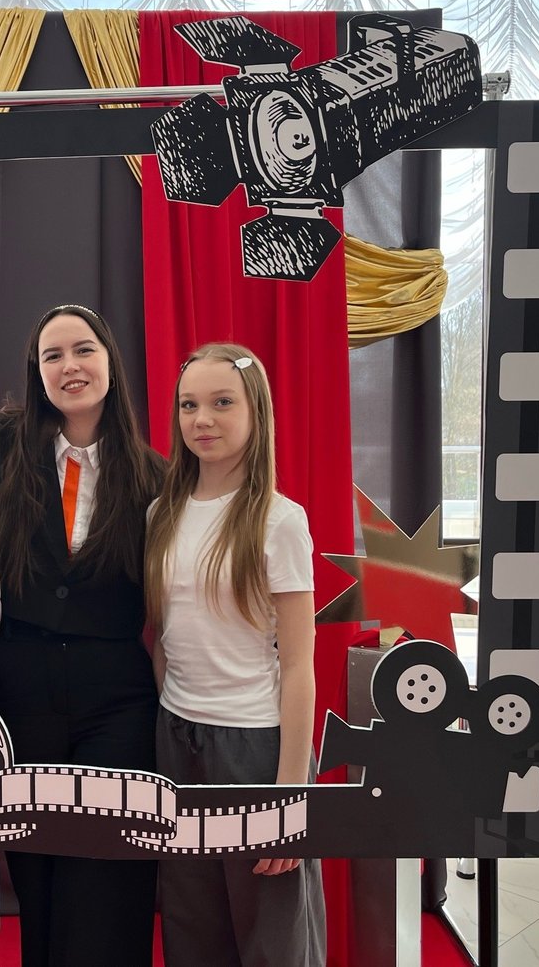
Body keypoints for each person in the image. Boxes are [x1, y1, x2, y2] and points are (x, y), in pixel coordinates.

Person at [0, 304, 165, 966]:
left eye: (83, 350)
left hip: (116, 700)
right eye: (52, 355)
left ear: (110, 361)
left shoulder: (155, 475)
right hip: (21, 692)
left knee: (108, 881)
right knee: (38, 879)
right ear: (37, 372)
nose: (69, 366)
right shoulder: (5, 447)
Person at [145, 343, 327, 967]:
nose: (202, 419)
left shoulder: (280, 520)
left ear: (256, 412)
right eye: (189, 405)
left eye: (222, 403)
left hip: (253, 745)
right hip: (177, 738)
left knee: (270, 935)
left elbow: (299, 665)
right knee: (193, 928)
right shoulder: (160, 514)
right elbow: (163, 637)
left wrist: (290, 793)